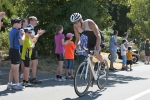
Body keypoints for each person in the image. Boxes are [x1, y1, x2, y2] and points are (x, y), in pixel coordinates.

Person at [7, 18, 25, 90]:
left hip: (11, 50)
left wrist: (20, 33)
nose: (20, 24)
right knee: (16, 69)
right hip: (15, 50)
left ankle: (9, 83)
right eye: (19, 23)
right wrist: (23, 34)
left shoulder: (11, 30)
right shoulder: (17, 31)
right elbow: (21, 41)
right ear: (15, 24)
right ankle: (17, 84)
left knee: (12, 68)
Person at [28, 16, 45, 84]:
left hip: (31, 46)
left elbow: (34, 39)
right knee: (33, 62)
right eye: (35, 20)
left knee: (32, 62)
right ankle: (32, 78)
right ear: (31, 21)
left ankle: (29, 77)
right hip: (31, 47)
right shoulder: (30, 28)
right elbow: (33, 39)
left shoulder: (31, 28)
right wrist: (39, 34)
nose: (37, 21)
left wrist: (37, 35)